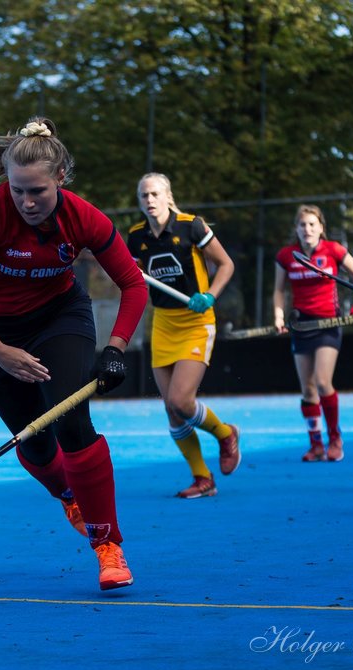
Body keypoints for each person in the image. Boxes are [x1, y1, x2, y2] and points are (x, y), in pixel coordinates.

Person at [0, 117, 148, 591]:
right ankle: (68, 494)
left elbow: (132, 285)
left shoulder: (85, 218)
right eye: (17, 192)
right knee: (32, 441)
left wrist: (114, 348)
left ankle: (107, 546)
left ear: (61, 181)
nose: (27, 203)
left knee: (71, 421)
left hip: (58, 317)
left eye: (38, 192)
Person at [126, 172, 240, 498]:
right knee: (171, 409)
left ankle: (225, 433)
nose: (149, 200)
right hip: (163, 321)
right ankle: (203, 477)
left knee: (181, 400)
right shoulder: (136, 237)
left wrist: (212, 296)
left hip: (196, 321)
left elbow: (226, 264)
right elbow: (133, 275)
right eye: (143, 195)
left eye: (154, 194)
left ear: (167, 196)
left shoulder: (192, 226)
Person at [273, 205, 353, 462]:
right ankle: (316, 444)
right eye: (302, 225)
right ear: (296, 229)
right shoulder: (287, 255)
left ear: (321, 228)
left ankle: (335, 438)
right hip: (302, 326)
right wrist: (278, 317)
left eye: (312, 225)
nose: (307, 230)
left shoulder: (333, 250)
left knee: (322, 382)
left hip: (328, 324)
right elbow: (278, 290)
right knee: (307, 390)